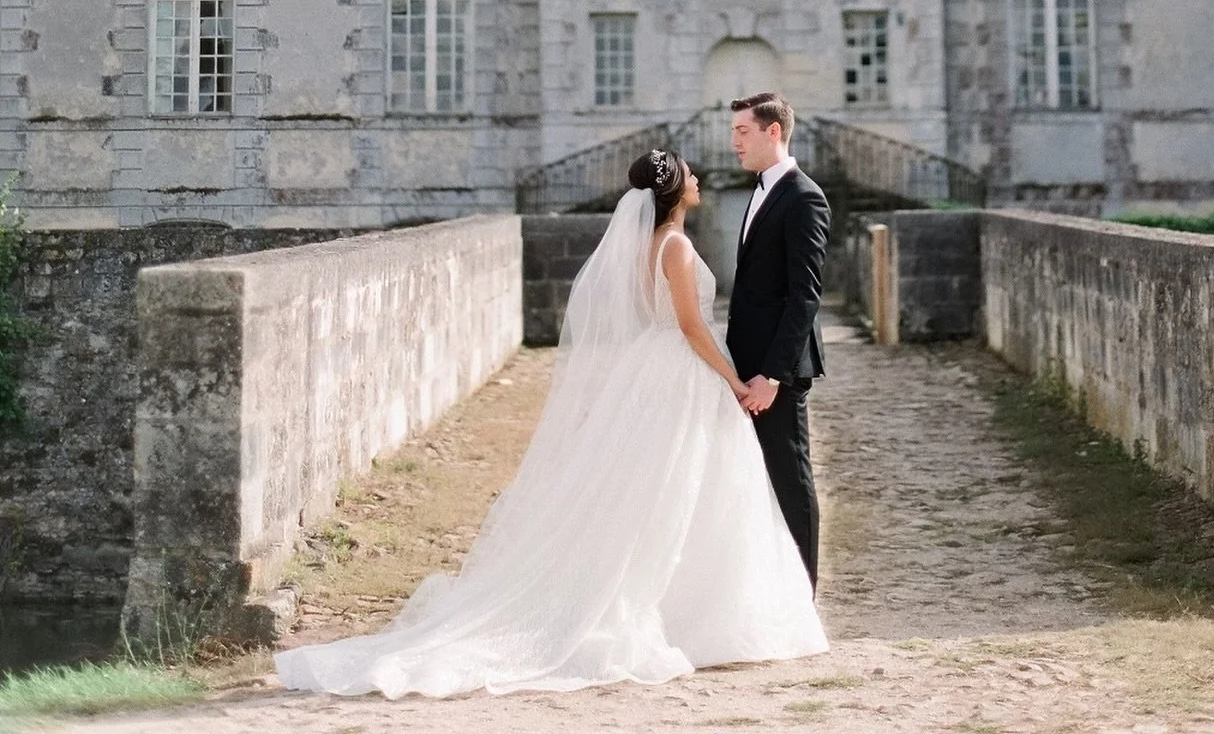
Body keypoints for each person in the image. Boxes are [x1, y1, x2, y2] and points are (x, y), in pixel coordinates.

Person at [273, 147, 826, 699]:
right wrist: (732, 380)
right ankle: (695, 614)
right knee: (684, 488)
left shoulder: (647, 244)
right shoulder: (676, 246)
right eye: (690, 176)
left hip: (652, 371)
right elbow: (687, 325)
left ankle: (689, 608)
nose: (700, 178)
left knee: (670, 490)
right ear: (675, 191)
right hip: (681, 372)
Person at [726, 92, 831, 590]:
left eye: (742, 132)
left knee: (791, 480)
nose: (733, 143)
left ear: (773, 132)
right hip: (747, 367)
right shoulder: (763, 188)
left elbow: (804, 298)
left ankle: (803, 597)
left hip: (777, 373)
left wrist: (771, 375)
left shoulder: (804, 196)